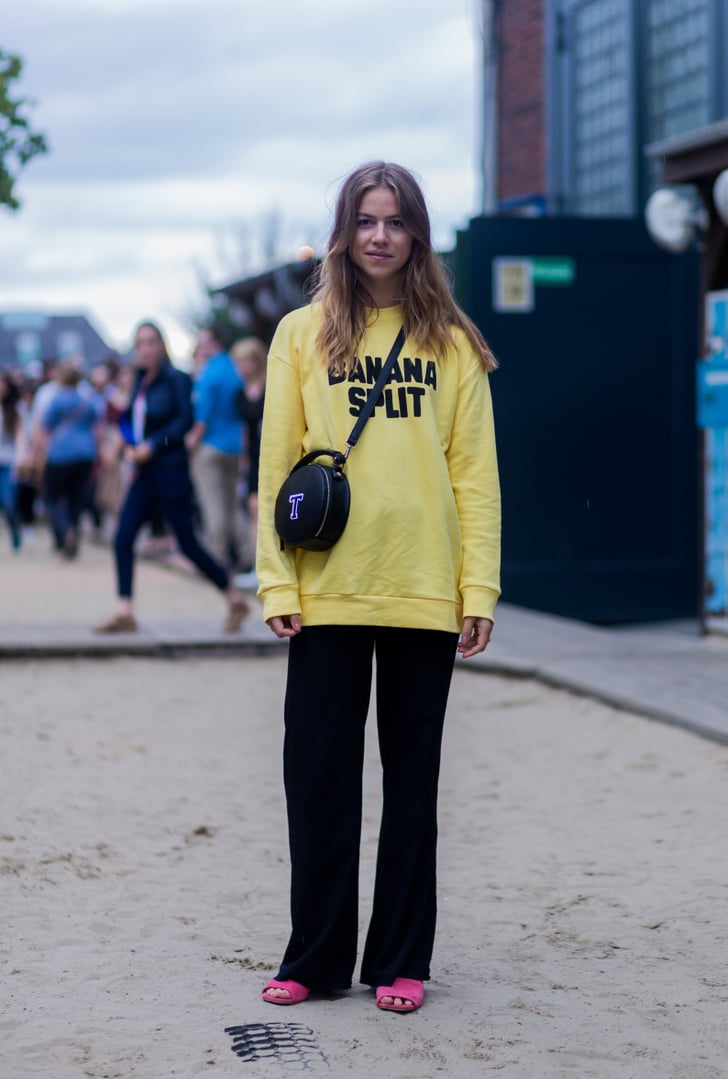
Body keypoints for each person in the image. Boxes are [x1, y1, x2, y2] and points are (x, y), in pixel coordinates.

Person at [256, 162, 501, 1013]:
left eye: (395, 221)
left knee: (411, 784)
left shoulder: (453, 342)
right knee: (318, 778)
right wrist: (273, 578)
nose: (380, 236)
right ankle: (315, 956)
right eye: (366, 220)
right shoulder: (302, 331)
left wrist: (479, 590)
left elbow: (476, 477)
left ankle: (402, 957)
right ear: (344, 231)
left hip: (423, 589)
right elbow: (276, 466)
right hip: (328, 585)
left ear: (417, 234)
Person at [94, 321, 250, 634]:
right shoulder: (141, 381)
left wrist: (152, 445)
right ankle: (125, 611)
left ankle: (234, 598)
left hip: (169, 470)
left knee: (188, 543)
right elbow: (129, 420)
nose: (146, 349)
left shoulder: (176, 379)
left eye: (151, 342)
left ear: (162, 345)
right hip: (144, 472)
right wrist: (128, 443)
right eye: (140, 343)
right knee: (123, 537)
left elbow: (183, 422)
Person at [185, 324, 251, 572]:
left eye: (202, 340)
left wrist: (192, 441)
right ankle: (246, 555)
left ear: (213, 342)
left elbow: (203, 414)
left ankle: (217, 558)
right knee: (233, 504)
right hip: (233, 445)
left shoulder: (209, 373)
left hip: (210, 445)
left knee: (212, 504)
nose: (199, 344)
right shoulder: (233, 369)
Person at [41, 364, 102, 559]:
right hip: (85, 454)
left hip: (60, 454)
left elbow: (45, 427)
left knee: (51, 497)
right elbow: (96, 422)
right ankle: (72, 542)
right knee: (75, 498)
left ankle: (66, 530)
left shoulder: (56, 399)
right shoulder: (86, 400)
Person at [231, 335, 267, 590]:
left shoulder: (271, 385)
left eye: (244, 361)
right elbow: (244, 428)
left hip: (271, 453)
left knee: (263, 509)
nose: (241, 367)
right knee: (254, 508)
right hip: (254, 456)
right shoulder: (241, 393)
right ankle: (258, 567)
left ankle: (264, 568)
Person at [0, 372, 25, 551]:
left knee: (9, 501)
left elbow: (20, 437)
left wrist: (20, 460)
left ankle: (16, 529)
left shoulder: (15, 410)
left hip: (8, 461)